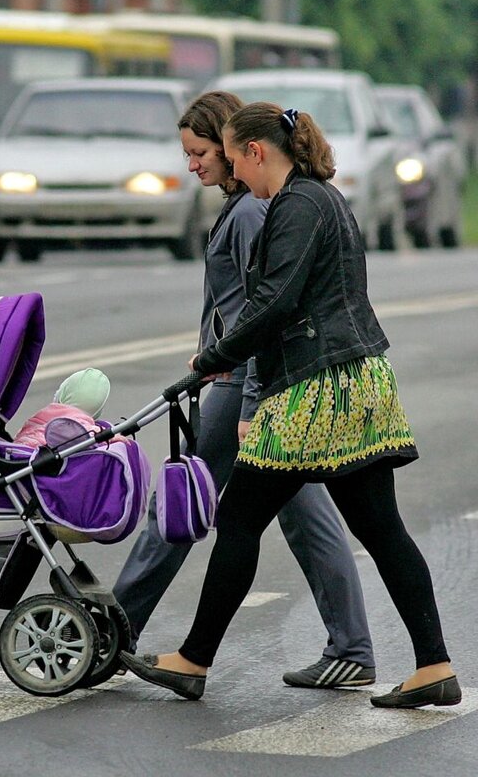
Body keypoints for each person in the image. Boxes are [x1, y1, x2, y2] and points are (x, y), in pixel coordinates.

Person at [120, 103, 459, 709]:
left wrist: (212, 356)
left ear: (256, 151)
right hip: (355, 380)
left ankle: (194, 659)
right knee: (382, 530)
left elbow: (276, 302)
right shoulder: (321, 198)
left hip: (311, 389)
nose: (233, 175)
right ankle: (434, 665)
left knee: (241, 519)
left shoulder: (296, 205)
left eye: (233, 157)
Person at [12, 367, 111, 448]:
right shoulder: (84, 431)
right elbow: (98, 436)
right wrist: (115, 438)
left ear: (61, 395)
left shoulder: (41, 417)